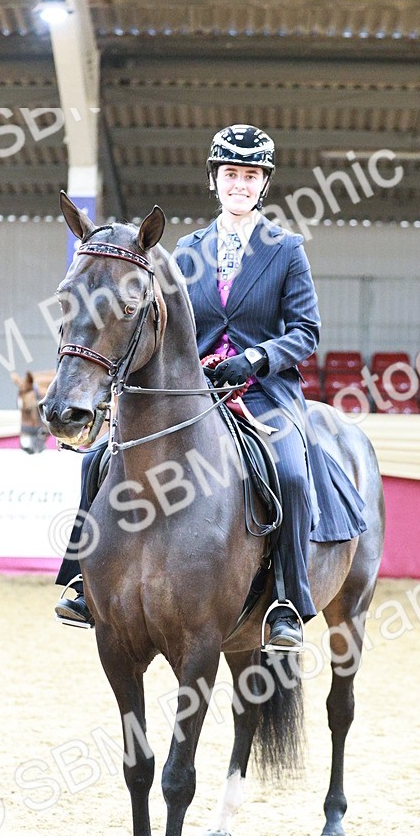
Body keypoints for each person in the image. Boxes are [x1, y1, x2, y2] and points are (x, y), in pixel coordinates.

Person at [55, 123, 366, 650]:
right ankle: (84, 581)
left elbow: (306, 332)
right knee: (97, 459)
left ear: (262, 185)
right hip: (195, 390)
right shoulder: (185, 250)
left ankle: (288, 602)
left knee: (289, 469)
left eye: (250, 176)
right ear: (214, 180)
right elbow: (168, 324)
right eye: (230, 174)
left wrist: (254, 358)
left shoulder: (286, 250)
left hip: (265, 392)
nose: (239, 184)